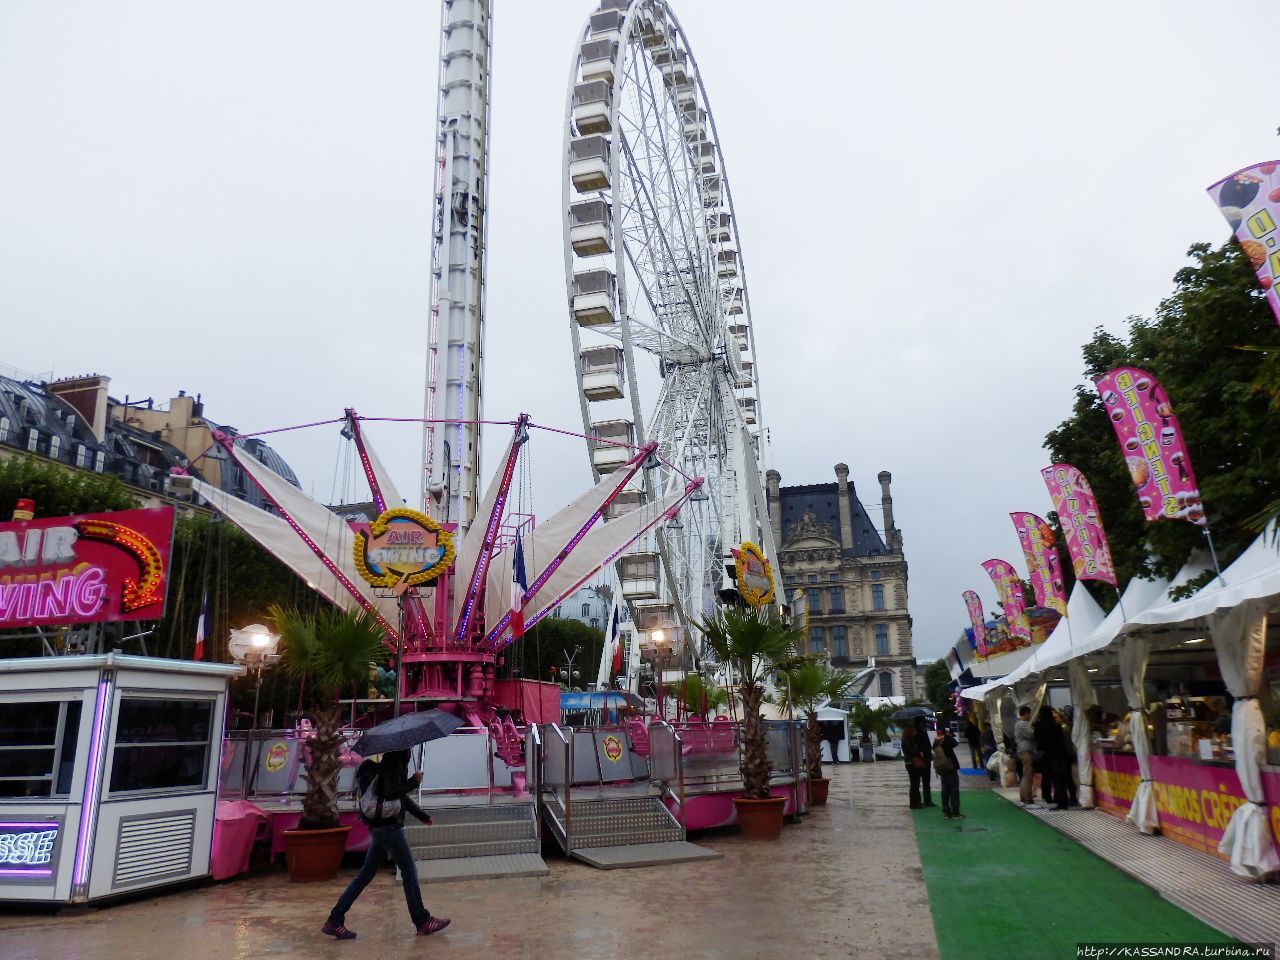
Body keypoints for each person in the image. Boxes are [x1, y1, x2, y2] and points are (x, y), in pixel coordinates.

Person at [322, 749, 451, 940]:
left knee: (365, 875)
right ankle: (422, 921)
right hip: (389, 828)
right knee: (408, 871)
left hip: (380, 828)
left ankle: (334, 921)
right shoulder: (394, 762)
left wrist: (423, 816)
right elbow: (392, 793)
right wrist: (413, 782)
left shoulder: (391, 761)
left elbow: (400, 798)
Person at [1033, 704, 1070, 811]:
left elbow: (1038, 741)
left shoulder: (1039, 726)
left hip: (1049, 757)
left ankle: (1059, 802)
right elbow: (1062, 741)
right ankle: (1064, 801)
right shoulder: (1057, 725)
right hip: (1061, 756)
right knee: (1061, 780)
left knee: (1055, 780)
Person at [934, 726, 964, 820]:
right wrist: (947, 736)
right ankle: (955, 812)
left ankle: (946, 812)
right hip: (950, 767)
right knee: (954, 789)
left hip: (942, 769)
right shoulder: (946, 741)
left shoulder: (936, 742)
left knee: (945, 789)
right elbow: (955, 743)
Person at [1014, 705, 1037, 805]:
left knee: (1025, 775)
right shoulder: (1021, 724)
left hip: (1024, 751)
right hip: (1025, 752)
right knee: (1028, 775)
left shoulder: (1021, 724)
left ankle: (1024, 796)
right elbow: (1031, 734)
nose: (1030, 715)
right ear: (1026, 713)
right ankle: (1027, 797)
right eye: (1030, 713)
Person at [914, 716, 935, 808]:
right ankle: (920, 801)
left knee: (926, 782)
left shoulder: (923, 732)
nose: (924, 724)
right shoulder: (915, 733)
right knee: (918, 782)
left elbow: (928, 745)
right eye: (923, 722)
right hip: (919, 760)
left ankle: (927, 800)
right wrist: (920, 752)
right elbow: (913, 746)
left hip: (926, 759)